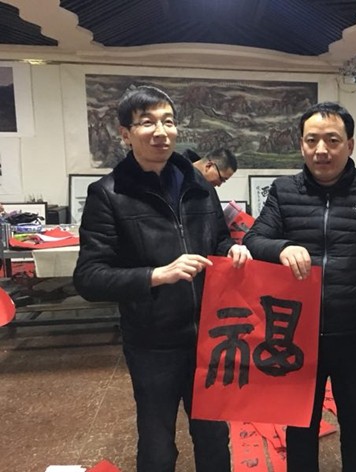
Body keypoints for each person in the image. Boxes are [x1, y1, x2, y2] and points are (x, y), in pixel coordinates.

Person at [73, 85, 251, 472]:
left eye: (168, 121)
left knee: (213, 437)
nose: (161, 132)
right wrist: (157, 275)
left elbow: (219, 240)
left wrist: (232, 250)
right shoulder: (108, 194)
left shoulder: (199, 187)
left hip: (209, 338)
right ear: (125, 133)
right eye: (147, 122)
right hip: (153, 344)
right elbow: (89, 277)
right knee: (157, 445)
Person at [243, 102, 356, 471]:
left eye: (332, 140)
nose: (322, 150)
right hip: (298, 333)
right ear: (301, 145)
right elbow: (254, 239)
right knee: (300, 423)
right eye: (312, 140)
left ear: (349, 145)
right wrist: (282, 247)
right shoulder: (284, 191)